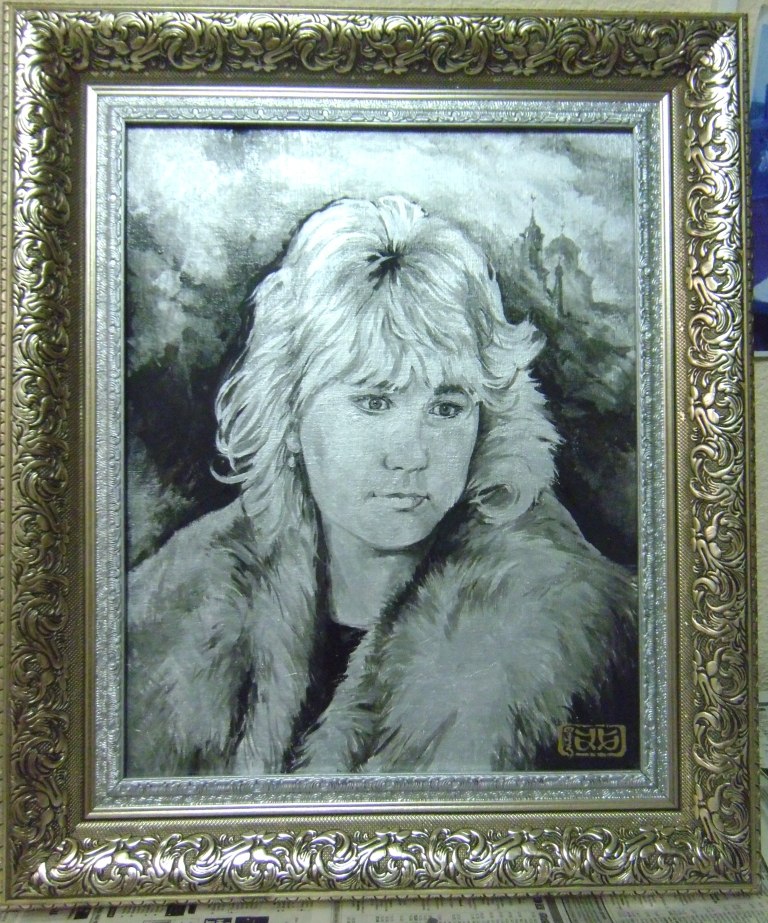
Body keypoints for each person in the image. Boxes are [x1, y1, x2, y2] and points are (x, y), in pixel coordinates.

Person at [126, 195, 637, 777]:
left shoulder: (569, 630)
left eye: (446, 408)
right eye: (374, 401)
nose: (412, 454)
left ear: (488, 420)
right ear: (287, 412)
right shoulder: (170, 608)